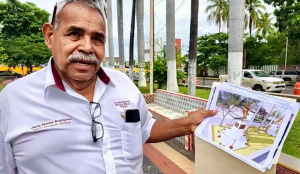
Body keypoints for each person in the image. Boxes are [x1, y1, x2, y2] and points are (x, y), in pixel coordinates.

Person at [0, 1, 217, 174]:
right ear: (50, 36)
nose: (86, 47)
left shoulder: (123, 85)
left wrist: (187, 124)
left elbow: (143, 130)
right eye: (74, 33)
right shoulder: (13, 100)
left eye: (97, 38)